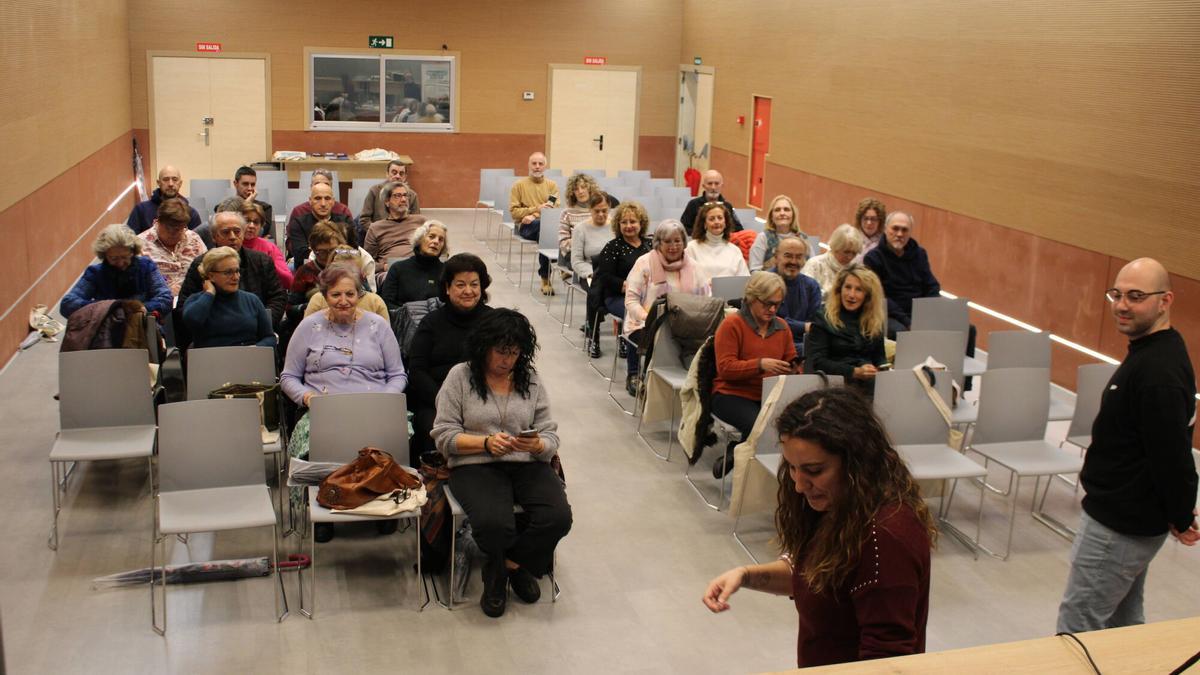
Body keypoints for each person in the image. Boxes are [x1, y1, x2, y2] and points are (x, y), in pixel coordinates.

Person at [703, 387, 935, 668]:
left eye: (814, 471)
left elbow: (886, 662)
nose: (799, 485)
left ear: (856, 462)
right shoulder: (841, 503)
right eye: (791, 467)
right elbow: (818, 576)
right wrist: (746, 575)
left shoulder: (884, 539)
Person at [1056, 258, 1197, 633]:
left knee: (1078, 629)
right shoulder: (1154, 352)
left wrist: (1182, 515)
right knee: (1125, 626)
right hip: (1128, 520)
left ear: (1165, 300)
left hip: (1118, 526)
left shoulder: (1158, 372)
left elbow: (1173, 456)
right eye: (1116, 294)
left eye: (1135, 296)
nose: (1121, 305)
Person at [430, 308, 571, 618]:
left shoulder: (530, 379)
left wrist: (538, 444)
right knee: (494, 523)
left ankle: (506, 566)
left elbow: (550, 435)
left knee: (558, 517)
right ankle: (505, 569)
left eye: (515, 352)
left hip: (526, 462)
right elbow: (443, 434)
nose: (507, 360)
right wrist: (484, 442)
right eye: (501, 352)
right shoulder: (460, 377)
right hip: (473, 463)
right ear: (484, 346)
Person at [281, 263, 408, 542]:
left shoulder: (378, 326)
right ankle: (326, 503)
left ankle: (380, 502)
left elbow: (397, 374)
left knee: (391, 437)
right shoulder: (308, 327)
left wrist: (384, 401)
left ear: (359, 295)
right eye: (336, 294)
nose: (344, 301)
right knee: (315, 443)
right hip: (325, 409)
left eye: (350, 294)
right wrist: (306, 396)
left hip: (372, 406)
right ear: (325, 296)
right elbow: (288, 376)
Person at [407, 253, 495, 463]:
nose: (468, 291)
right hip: (437, 400)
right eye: (460, 284)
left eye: (474, 284)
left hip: (487, 399)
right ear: (447, 288)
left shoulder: (495, 321)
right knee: (431, 430)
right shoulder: (431, 323)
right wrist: (445, 402)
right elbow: (417, 371)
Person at [709, 271, 799, 478]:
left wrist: (794, 369)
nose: (773, 309)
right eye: (767, 303)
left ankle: (738, 452)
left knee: (794, 425)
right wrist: (760, 365)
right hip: (730, 394)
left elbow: (790, 359)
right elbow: (726, 369)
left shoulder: (782, 328)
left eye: (777, 304)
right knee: (758, 425)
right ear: (751, 298)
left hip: (768, 395)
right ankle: (744, 468)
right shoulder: (732, 325)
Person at [624, 218, 711, 395]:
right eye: (668, 241)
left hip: (684, 327)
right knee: (660, 342)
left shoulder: (694, 267)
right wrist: (646, 318)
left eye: (677, 241)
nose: (673, 246)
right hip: (644, 325)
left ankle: (693, 387)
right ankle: (645, 382)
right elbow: (631, 301)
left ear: (684, 242)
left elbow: (706, 300)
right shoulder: (644, 263)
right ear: (658, 243)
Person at [178, 211, 287, 329]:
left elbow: (278, 297)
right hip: (212, 334)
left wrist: (261, 324)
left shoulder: (262, 261)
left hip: (256, 330)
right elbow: (184, 306)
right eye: (226, 232)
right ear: (214, 237)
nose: (232, 237)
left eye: (237, 231)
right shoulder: (201, 264)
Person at [804, 265, 888, 396]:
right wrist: (854, 372)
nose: (851, 295)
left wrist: (884, 369)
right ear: (839, 289)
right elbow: (818, 362)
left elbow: (879, 358)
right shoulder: (823, 318)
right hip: (834, 385)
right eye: (847, 287)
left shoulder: (874, 320)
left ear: (868, 295)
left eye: (859, 290)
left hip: (869, 384)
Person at [62, 223, 173, 319]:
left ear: (133, 252)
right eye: (114, 258)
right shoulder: (95, 273)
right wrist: (106, 308)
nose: (120, 263)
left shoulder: (146, 267)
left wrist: (143, 308)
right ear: (104, 255)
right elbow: (67, 304)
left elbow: (166, 297)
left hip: (143, 329)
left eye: (125, 257)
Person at [588, 202, 652, 361]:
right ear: (618, 225)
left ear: (641, 223)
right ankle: (634, 367)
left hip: (648, 296)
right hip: (617, 297)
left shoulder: (650, 245)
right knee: (635, 315)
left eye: (633, 221)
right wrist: (627, 287)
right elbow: (605, 277)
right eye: (624, 222)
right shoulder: (613, 247)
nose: (628, 226)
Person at [862, 211, 940, 339]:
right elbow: (880, 297)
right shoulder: (873, 258)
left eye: (904, 230)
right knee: (901, 332)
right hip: (890, 314)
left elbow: (932, 285)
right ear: (886, 230)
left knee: (967, 329)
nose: (899, 234)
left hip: (920, 313)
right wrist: (908, 322)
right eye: (895, 228)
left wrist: (929, 312)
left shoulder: (920, 254)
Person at [181, 247, 275, 348]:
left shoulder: (252, 300)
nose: (235, 277)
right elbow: (192, 321)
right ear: (211, 276)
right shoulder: (196, 300)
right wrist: (209, 293)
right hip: (210, 359)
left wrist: (254, 349)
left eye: (237, 271)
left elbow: (270, 338)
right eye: (228, 272)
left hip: (248, 358)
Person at [510, 152, 560, 296]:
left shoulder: (552, 186)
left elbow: (552, 209)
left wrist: (533, 215)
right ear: (529, 165)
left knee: (544, 232)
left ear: (545, 166)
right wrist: (536, 210)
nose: (537, 167)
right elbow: (514, 212)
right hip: (525, 227)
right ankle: (559, 268)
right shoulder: (518, 186)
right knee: (546, 229)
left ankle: (545, 277)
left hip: (542, 226)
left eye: (540, 164)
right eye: (534, 163)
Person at [137, 197, 207, 296]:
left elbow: (208, 271)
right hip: (157, 301)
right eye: (169, 228)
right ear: (158, 222)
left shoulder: (194, 239)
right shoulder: (140, 244)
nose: (175, 233)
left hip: (192, 300)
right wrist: (165, 289)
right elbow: (136, 285)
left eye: (180, 228)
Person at [770, 237, 823, 359]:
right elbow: (771, 323)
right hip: (771, 344)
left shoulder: (812, 286)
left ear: (804, 260)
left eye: (799, 257)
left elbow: (816, 325)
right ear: (776, 257)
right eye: (788, 256)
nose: (793, 261)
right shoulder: (764, 283)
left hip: (805, 346)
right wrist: (804, 326)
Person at [379, 220, 448, 313]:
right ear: (419, 239)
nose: (436, 242)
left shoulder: (446, 272)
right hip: (403, 323)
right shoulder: (398, 268)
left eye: (441, 239)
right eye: (431, 237)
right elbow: (387, 303)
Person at [303, 249, 388, 321]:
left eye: (352, 271)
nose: (343, 302)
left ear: (363, 274)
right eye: (340, 271)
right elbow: (306, 335)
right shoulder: (318, 300)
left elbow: (385, 337)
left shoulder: (375, 302)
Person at [286, 181, 357, 264]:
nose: (323, 204)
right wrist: (337, 251)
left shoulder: (345, 221)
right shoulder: (298, 223)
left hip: (341, 270)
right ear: (310, 201)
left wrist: (319, 252)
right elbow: (300, 254)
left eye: (327, 198)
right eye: (318, 198)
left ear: (333, 201)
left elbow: (354, 251)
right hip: (309, 272)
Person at [569, 193, 615, 316]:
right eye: (597, 211)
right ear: (590, 209)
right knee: (597, 288)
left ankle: (594, 324)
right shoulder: (580, 229)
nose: (601, 214)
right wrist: (592, 274)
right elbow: (576, 261)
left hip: (612, 272)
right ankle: (593, 327)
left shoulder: (616, 227)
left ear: (609, 208)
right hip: (590, 272)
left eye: (604, 211)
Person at [363, 181, 426, 268]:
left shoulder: (421, 221)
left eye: (405, 195)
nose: (403, 199)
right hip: (389, 271)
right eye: (398, 196)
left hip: (418, 267)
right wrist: (383, 267)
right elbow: (366, 262)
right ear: (387, 202)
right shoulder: (375, 228)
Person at [558, 174, 616, 266]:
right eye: (576, 189)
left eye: (583, 187)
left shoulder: (600, 210)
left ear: (590, 189)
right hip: (576, 255)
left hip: (601, 252)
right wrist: (583, 243)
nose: (580, 191)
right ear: (572, 193)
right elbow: (563, 244)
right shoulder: (567, 213)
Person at [126, 165, 202, 234]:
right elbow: (130, 242)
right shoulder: (141, 210)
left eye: (175, 179)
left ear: (180, 183)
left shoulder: (191, 213)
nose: (170, 184)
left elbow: (197, 244)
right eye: (166, 179)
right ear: (159, 183)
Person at [686, 201, 749, 280]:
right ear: (704, 224)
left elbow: (743, 280)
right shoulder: (691, 248)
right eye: (711, 219)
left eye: (720, 218)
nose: (716, 222)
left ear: (725, 223)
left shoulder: (735, 250)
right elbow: (687, 279)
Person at [237, 198, 292, 289]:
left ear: (261, 226)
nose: (251, 226)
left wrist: (267, 264)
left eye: (256, 222)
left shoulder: (269, 247)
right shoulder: (232, 245)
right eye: (247, 221)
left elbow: (288, 280)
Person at [357, 159, 421, 235]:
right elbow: (364, 220)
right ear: (387, 174)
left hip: (403, 236)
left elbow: (416, 223)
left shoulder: (412, 195)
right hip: (378, 236)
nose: (397, 176)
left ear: (405, 177)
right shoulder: (374, 191)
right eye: (394, 173)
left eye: (401, 174)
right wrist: (379, 234)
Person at [749, 195, 807, 272]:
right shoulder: (763, 237)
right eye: (777, 210)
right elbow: (754, 270)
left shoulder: (802, 238)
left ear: (793, 215)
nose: (782, 213)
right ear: (771, 216)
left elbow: (811, 267)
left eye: (786, 209)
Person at [802, 224, 864, 296]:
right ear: (836, 247)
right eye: (846, 252)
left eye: (854, 253)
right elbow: (806, 294)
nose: (850, 257)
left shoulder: (857, 269)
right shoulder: (815, 264)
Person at [288, 170, 354, 222]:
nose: (322, 187)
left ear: (331, 187)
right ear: (311, 187)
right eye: (317, 183)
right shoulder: (299, 211)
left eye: (326, 184)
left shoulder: (343, 211)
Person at [231, 166, 274, 231]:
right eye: (245, 184)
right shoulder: (223, 207)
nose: (250, 188)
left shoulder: (265, 207)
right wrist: (246, 204)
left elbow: (262, 231)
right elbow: (229, 228)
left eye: (253, 184)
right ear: (235, 184)